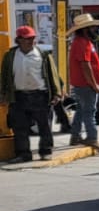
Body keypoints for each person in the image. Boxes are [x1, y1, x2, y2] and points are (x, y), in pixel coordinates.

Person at [3, 26, 61, 164]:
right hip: (18, 96)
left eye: (32, 38)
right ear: (19, 40)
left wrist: (57, 93)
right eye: (27, 38)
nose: (31, 41)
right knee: (20, 127)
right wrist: (3, 95)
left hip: (39, 95)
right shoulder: (10, 56)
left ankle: (46, 150)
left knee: (44, 125)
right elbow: (5, 76)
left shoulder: (43, 54)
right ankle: (24, 154)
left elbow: (53, 75)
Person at [64, 14, 99, 151]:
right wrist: (94, 84)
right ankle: (92, 137)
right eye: (92, 27)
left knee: (81, 111)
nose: (95, 28)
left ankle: (75, 136)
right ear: (85, 29)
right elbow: (85, 66)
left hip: (83, 84)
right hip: (85, 85)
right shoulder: (81, 43)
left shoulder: (84, 42)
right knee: (90, 111)